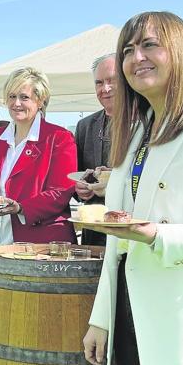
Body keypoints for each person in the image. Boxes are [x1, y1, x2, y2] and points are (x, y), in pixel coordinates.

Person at [83, 11, 183, 365]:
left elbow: (145, 232)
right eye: (128, 50)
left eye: (148, 46)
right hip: (131, 317)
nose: (136, 58)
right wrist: (102, 318)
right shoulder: (139, 130)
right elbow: (118, 237)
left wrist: (159, 235)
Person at [0, 67, 77, 249]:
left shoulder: (59, 137)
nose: (16, 103)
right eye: (11, 96)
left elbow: (61, 192)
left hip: (41, 244)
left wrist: (20, 207)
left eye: (24, 97)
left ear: (40, 100)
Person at [74, 54, 117, 245]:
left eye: (112, 81)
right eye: (99, 83)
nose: (105, 89)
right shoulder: (85, 126)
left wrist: (114, 182)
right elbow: (77, 175)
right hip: (95, 234)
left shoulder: (147, 122)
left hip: (133, 231)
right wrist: (80, 188)